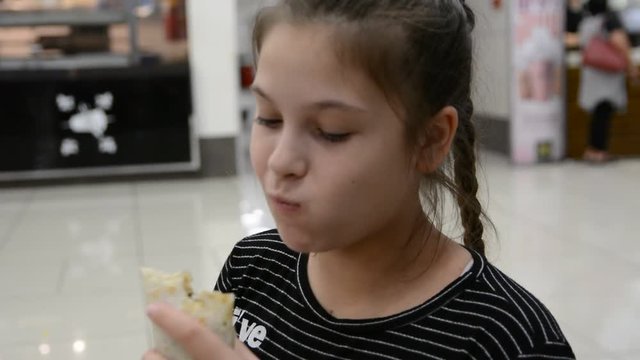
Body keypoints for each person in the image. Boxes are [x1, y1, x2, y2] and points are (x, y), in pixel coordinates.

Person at [144, 1, 576, 359]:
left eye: (331, 131)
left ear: (429, 140)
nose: (280, 161)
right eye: (269, 117)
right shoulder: (253, 268)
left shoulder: (508, 340)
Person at [579, 0, 639, 163]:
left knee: (598, 113)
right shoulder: (609, 20)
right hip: (607, 74)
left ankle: (592, 149)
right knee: (604, 112)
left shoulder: (586, 23)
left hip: (592, 73)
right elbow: (620, 43)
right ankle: (599, 151)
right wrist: (631, 66)